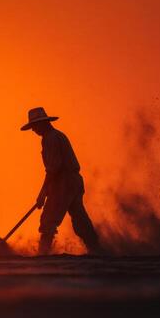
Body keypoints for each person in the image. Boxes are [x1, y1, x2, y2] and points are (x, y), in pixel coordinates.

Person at [21, 107, 99, 255]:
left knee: (48, 220)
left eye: (35, 126)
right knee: (79, 218)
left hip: (64, 183)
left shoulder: (50, 139)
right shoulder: (57, 136)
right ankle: (97, 250)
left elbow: (53, 168)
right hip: (74, 181)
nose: (33, 130)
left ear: (44, 123)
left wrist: (43, 193)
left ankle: (43, 254)